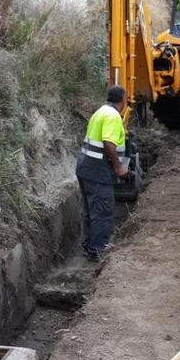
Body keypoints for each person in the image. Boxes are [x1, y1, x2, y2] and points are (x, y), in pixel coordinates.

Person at [75, 86, 129, 261]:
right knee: (102, 210)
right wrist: (119, 167)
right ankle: (98, 250)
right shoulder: (113, 116)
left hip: (86, 167)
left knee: (90, 210)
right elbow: (109, 144)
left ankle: (89, 246)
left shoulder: (100, 112)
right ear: (124, 99)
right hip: (98, 170)